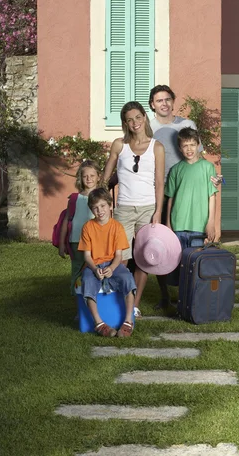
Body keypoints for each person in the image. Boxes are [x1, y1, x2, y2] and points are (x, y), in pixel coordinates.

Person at [149, 85, 221, 308]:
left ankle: (191, 296)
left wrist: (217, 180)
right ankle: (165, 294)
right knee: (163, 246)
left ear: (173, 101)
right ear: (153, 104)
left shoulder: (187, 125)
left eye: (167, 99)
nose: (164, 103)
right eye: (159, 100)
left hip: (189, 192)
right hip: (158, 190)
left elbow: (204, 164)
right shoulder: (148, 127)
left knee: (191, 253)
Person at [103, 101, 165, 319]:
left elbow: (159, 182)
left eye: (138, 117)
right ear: (125, 123)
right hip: (124, 209)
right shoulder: (119, 145)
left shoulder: (157, 147)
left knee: (144, 258)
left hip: (148, 208)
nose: (135, 122)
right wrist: (103, 200)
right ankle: (119, 300)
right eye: (129, 119)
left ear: (145, 118)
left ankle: (135, 305)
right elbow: (106, 177)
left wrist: (157, 212)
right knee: (121, 258)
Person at [78, 188, 136, 337]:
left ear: (110, 206)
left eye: (103, 206)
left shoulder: (117, 227)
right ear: (92, 210)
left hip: (113, 263)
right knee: (87, 281)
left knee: (128, 278)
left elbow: (118, 255)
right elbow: (87, 256)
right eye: (95, 208)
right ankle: (99, 324)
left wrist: (112, 267)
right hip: (94, 265)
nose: (100, 210)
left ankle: (128, 321)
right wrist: (94, 268)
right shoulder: (88, 227)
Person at [58, 160, 101, 312]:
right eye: (85, 176)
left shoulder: (103, 198)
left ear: (98, 177)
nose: (89, 179)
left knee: (94, 272)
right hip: (76, 241)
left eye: (92, 175)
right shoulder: (75, 199)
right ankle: (80, 309)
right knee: (77, 273)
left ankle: (95, 305)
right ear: (80, 179)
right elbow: (66, 220)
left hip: (96, 243)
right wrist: (62, 243)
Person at [166, 127, 218, 252]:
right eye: (185, 146)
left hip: (199, 226)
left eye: (192, 145)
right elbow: (170, 199)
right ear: (180, 148)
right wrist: (168, 223)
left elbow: (212, 196)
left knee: (195, 263)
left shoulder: (208, 167)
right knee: (177, 263)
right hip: (177, 225)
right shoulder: (175, 170)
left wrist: (211, 223)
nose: (189, 149)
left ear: (198, 145)